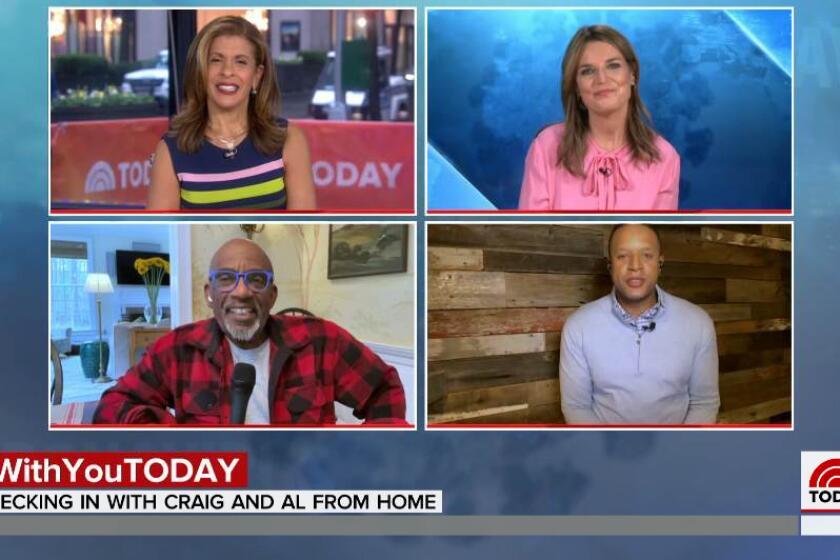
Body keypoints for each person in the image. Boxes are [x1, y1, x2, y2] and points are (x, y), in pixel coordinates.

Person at [94, 238, 405, 425]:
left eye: (256, 280)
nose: (241, 292)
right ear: (210, 294)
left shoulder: (323, 341)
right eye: (226, 278)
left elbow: (384, 389)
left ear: (272, 295)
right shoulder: (178, 348)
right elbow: (112, 405)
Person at [148, 16, 317, 211]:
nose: (227, 71)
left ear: (256, 76)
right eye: (216, 60)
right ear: (201, 72)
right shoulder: (171, 151)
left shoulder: (289, 139)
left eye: (241, 62)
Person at [559, 224, 719, 424]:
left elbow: (704, 403)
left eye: (647, 255)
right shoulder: (578, 326)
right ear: (610, 266)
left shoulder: (698, 323)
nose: (635, 265)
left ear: (660, 262)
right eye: (623, 256)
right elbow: (576, 406)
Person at [519, 25, 680, 211]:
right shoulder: (545, 147)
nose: (602, 79)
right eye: (587, 71)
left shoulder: (665, 157)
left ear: (632, 75)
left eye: (613, 66)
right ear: (576, 87)